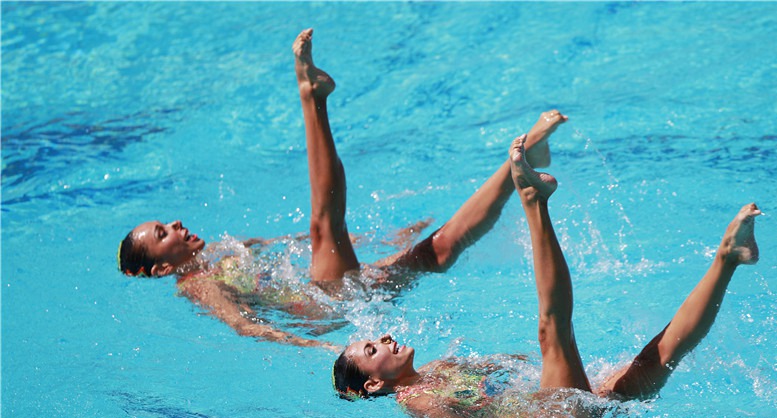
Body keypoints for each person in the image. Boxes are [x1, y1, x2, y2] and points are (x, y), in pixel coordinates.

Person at [117, 28, 568, 348]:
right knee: (324, 226)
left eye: (164, 224)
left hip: (336, 289)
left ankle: (522, 160)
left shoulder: (219, 250)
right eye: (162, 234)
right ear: (159, 270)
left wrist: (384, 242)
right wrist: (313, 347)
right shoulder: (196, 286)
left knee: (440, 248)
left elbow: (284, 245)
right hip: (323, 308)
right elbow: (244, 326)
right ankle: (311, 97)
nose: (174, 224)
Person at [333, 133, 762, 418]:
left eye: (374, 339)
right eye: (373, 349)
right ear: (372, 386)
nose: (384, 338)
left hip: (569, 405)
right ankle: (534, 202)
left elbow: (504, 370)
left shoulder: (437, 369)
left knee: (657, 356)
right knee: (552, 332)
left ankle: (727, 259)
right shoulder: (418, 401)